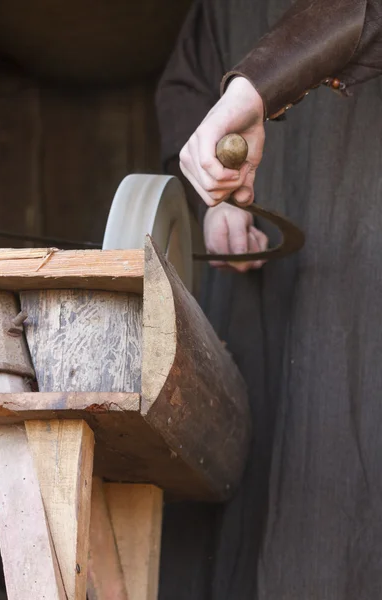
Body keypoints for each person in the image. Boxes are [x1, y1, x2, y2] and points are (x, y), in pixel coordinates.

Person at [156, 1, 382, 599]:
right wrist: (214, 199)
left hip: (363, 284)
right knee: (231, 493)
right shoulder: (219, 8)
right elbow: (186, 87)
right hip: (250, 285)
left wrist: (252, 92)